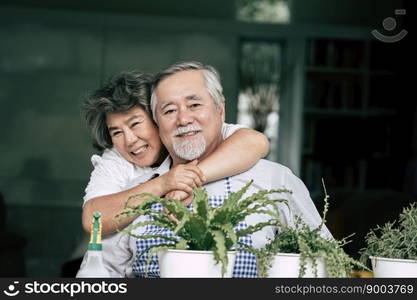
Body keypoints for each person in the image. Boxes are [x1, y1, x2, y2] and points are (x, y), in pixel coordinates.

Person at [105, 61, 332, 278]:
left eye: (194, 105)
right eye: (169, 111)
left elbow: (326, 263)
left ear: (220, 110)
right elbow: (100, 274)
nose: (183, 119)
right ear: (157, 122)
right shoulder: (136, 192)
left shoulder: (274, 179)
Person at [81, 71, 270, 235]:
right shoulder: (117, 157)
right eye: (116, 132)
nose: (129, 140)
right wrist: (164, 183)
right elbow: (92, 219)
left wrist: (186, 181)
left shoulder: (192, 134)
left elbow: (256, 142)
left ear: (159, 118)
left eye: (135, 124)